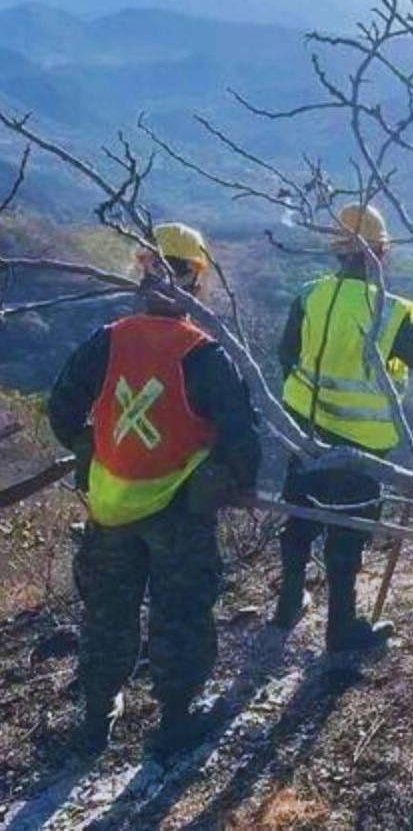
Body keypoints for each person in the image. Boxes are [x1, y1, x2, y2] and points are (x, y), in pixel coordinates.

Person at [48, 222, 261, 760]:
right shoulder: (204, 354)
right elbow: (241, 439)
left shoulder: (108, 339)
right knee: (181, 611)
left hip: (110, 507)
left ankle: (96, 722)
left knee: (107, 614)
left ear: (144, 271)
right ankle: (173, 724)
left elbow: (62, 410)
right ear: (196, 282)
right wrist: (231, 480)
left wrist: (88, 450)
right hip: (177, 511)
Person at [272, 203, 413, 652]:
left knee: (300, 518)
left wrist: (308, 399)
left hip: (306, 430)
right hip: (363, 445)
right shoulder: (391, 310)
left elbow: (286, 353)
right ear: (381, 253)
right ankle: (342, 630)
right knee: (347, 534)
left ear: (338, 250)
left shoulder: (310, 295)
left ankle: (287, 605)